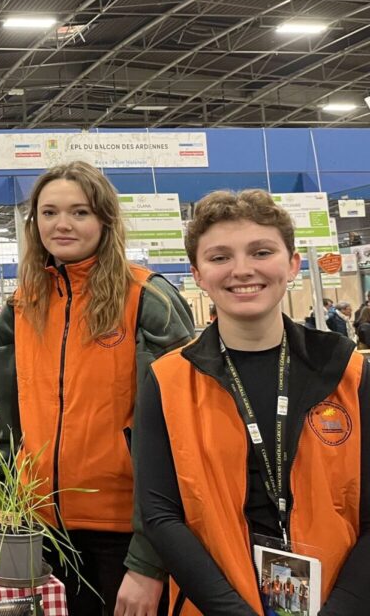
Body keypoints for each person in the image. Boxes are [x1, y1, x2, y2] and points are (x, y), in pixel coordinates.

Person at [135, 189, 368, 615]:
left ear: (293, 264)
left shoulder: (349, 373)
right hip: (212, 605)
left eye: (261, 251)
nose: (242, 270)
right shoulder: (167, 381)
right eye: (220, 257)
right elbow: (161, 516)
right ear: (198, 274)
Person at [0, 161, 195, 616]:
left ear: (105, 219)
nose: (62, 224)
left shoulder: (148, 298)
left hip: (124, 535)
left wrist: (150, 558)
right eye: (49, 212)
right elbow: (10, 420)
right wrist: (10, 505)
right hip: (40, 529)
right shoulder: (23, 305)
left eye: (79, 212)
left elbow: (185, 439)